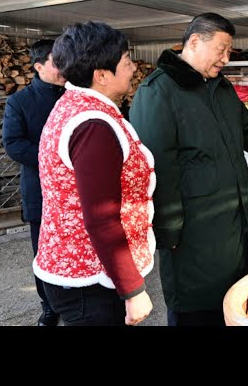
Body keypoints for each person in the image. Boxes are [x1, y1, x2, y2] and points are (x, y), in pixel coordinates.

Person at [129, 12, 248, 326]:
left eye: (230, 51)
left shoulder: (219, 86)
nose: (226, 58)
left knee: (232, 298)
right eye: (222, 49)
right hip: (191, 226)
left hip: (231, 213)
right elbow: (155, 165)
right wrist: (167, 229)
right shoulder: (158, 91)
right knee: (195, 306)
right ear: (196, 42)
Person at [33, 21, 155, 326]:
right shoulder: (92, 125)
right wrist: (132, 289)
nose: (133, 69)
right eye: (126, 63)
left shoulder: (74, 106)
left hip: (78, 268)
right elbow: (102, 215)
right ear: (101, 75)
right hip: (89, 280)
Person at [2, 39, 65, 326]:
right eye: (57, 61)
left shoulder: (76, 96)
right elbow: (13, 144)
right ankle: (50, 306)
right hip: (40, 192)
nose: (64, 66)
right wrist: (57, 160)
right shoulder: (19, 101)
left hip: (77, 192)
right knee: (44, 253)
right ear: (38, 66)